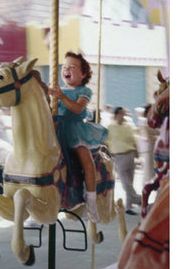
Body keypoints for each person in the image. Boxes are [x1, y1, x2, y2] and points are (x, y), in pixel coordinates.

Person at [48, 51, 108, 223]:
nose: (67, 69)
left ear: (83, 74)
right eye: (64, 67)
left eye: (72, 67)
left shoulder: (84, 91)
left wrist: (60, 96)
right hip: (56, 130)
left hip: (75, 131)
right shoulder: (58, 90)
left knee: (87, 163)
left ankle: (91, 204)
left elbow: (77, 109)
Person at [105, 107, 141, 215]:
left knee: (130, 181)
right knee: (126, 183)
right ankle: (139, 199)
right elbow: (106, 142)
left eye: (124, 114)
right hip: (118, 156)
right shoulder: (110, 127)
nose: (122, 116)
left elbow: (134, 141)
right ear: (115, 115)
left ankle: (129, 207)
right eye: (120, 114)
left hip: (130, 155)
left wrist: (137, 154)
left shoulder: (128, 127)